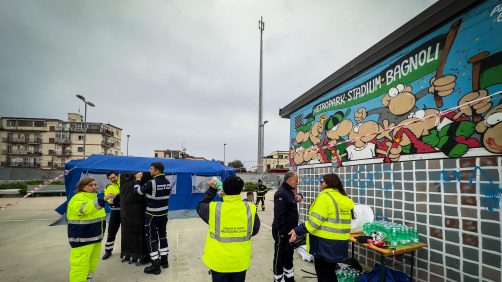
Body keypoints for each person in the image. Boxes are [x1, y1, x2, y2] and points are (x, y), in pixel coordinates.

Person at [288, 173, 354, 282]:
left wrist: (297, 230)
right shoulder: (343, 198)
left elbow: (314, 223)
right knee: (331, 274)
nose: (320, 184)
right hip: (340, 243)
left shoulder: (325, 197)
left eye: (321, 182)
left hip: (325, 244)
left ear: (328, 183)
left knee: (323, 275)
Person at [197, 176, 261, 282]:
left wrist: (212, 190)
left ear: (224, 190)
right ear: (241, 190)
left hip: (219, 262)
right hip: (240, 261)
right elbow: (254, 230)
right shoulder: (250, 209)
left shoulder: (214, 209)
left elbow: (200, 206)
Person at [67, 177, 115, 282]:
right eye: (90, 185)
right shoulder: (78, 198)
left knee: (92, 264)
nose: (94, 187)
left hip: (95, 239)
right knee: (80, 267)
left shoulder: (94, 198)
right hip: (82, 240)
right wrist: (103, 200)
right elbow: (85, 209)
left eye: (94, 185)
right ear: (82, 187)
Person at [134, 162, 172, 275]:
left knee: (152, 239)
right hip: (164, 215)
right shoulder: (168, 182)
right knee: (163, 236)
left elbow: (138, 191)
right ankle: (164, 261)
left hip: (152, 216)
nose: (149, 171)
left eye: (151, 169)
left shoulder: (152, 183)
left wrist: (137, 180)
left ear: (157, 171)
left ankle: (155, 265)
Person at [272, 171, 303, 282]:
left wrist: (299, 196)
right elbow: (279, 217)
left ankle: (289, 277)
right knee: (280, 255)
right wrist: (284, 233)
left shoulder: (289, 191)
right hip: (282, 231)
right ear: (289, 180)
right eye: (296, 181)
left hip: (290, 231)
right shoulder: (281, 193)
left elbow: (295, 196)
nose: (297, 183)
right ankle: (278, 278)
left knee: (289, 254)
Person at [102, 171, 121, 260]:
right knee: (111, 232)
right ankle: (108, 251)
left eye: (114, 177)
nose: (113, 179)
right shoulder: (108, 187)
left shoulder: (124, 182)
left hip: (127, 212)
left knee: (129, 232)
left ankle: (128, 251)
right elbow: (110, 200)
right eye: (111, 178)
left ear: (117, 176)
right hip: (115, 212)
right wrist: (118, 197)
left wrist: (116, 197)